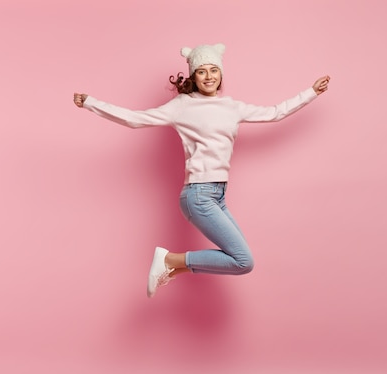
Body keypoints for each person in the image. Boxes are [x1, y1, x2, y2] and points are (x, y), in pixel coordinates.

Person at [73, 43, 330, 298]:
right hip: (199, 194)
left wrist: (311, 93)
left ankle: (172, 268)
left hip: (217, 194)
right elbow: (134, 119)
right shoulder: (182, 106)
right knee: (243, 260)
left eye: (213, 70)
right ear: (194, 76)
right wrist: (90, 103)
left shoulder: (232, 107)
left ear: (221, 74)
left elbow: (275, 113)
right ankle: (169, 260)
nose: (209, 76)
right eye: (202, 71)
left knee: (240, 261)